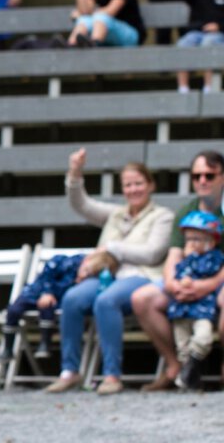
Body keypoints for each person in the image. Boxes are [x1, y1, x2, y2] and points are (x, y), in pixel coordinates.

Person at [45, 148, 174, 395]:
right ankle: (69, 371)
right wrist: (75, 173)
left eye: (138, 183)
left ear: (150, 185)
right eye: (127, 185)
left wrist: (112, 249)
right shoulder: (116, 214)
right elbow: (81, 205)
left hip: (141, 277)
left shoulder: (162, 217)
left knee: (106, 301)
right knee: (73, 298)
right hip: (107, 277)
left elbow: (152, 253)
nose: (133, 190)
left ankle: (112, 374)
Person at [131, 150, 224, 391]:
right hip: (189, 278)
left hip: (217, 279)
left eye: (209, 175)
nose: (202, 181)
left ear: (222, 177)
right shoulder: (185, 212)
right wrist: (172, 282)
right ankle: (177, 368)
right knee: (142, 299)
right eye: (197, 176)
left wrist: (208, 285)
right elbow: (174, 255)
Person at [167, 211, 224, 390]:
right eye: (188, 239)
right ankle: (190, 380)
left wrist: (192, 281)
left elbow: (207, 271)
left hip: (202, 309)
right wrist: (179, 286)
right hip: (182, 310)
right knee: (182, 346)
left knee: (203, 338)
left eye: (197, 239)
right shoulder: (184, 260)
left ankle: (191, 367)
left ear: (212, 242)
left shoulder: (213, 258)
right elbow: (176, 275)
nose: (191, 244)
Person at [0, 253, 83, 362]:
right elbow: (47, 276)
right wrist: (48, 292)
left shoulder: (82, 278)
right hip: (34, 294)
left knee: (48, 307)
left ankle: (45, 344)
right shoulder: (65, 263)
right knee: (13, 310)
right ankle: (8, 349)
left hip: (54, 302)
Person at [171, 0, 224, 94]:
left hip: (219, 35)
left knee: (209, 43)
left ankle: (209, 87)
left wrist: (219, 26)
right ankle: (183, 88)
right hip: (197, 32)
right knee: (183, 44)